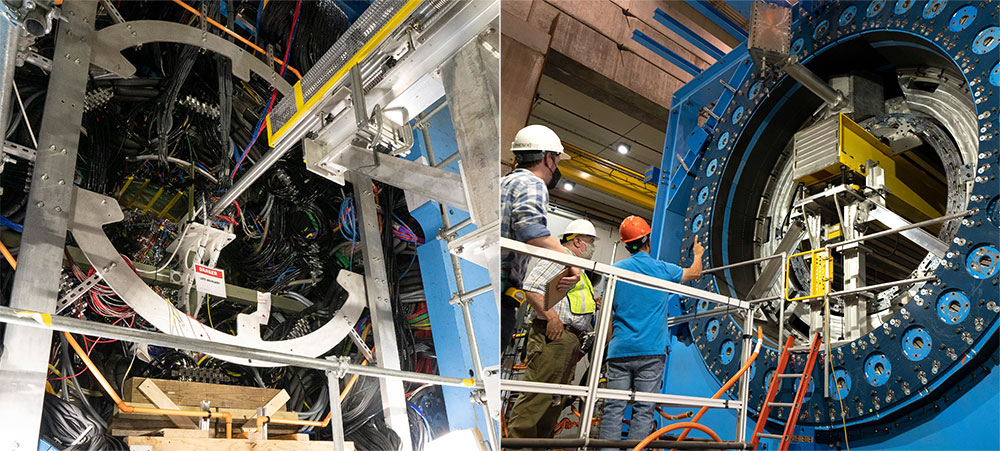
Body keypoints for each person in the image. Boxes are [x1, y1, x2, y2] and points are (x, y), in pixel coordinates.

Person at [598, 216, 704, 448]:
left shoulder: (613, 271)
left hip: (618, 352)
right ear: (648, 239)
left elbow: (606, 315)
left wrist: (609, 349)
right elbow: (695, 273)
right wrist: (698, 254)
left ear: (627, 244)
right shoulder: (661, 269)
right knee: (644, 411)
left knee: (613, 409)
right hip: (651, 353)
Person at [506, 219, 600, 441]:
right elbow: (531, 287)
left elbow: (568, 297)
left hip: (567, 341)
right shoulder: (562, 257)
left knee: (553, 401)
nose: (593, 246)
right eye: (590, 241)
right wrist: (552, 318)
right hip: (554, 337)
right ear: (577, 241)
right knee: (536, 398)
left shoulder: (577, 267)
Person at [500, 125, 580, 353]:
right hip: (501, 286)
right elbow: (532, 231)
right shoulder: (533, 183)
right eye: (557, 161)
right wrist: (572, 261)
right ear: (548, 158)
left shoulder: (503, 182)